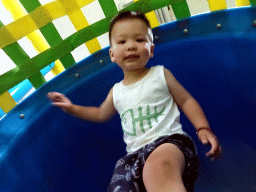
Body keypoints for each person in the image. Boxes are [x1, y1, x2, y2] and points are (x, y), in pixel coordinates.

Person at [48, 11, 222, 192]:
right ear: (112, 54)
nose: (131, 46)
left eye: (139, 40)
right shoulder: (116, 92)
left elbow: (186, 100)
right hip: (133, 158)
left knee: (157, 168)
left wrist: (203, 128)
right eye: (122, 42)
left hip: (169, 143)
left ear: (151, 50)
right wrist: (72, 108)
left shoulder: (160, 75)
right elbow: (100, 114)